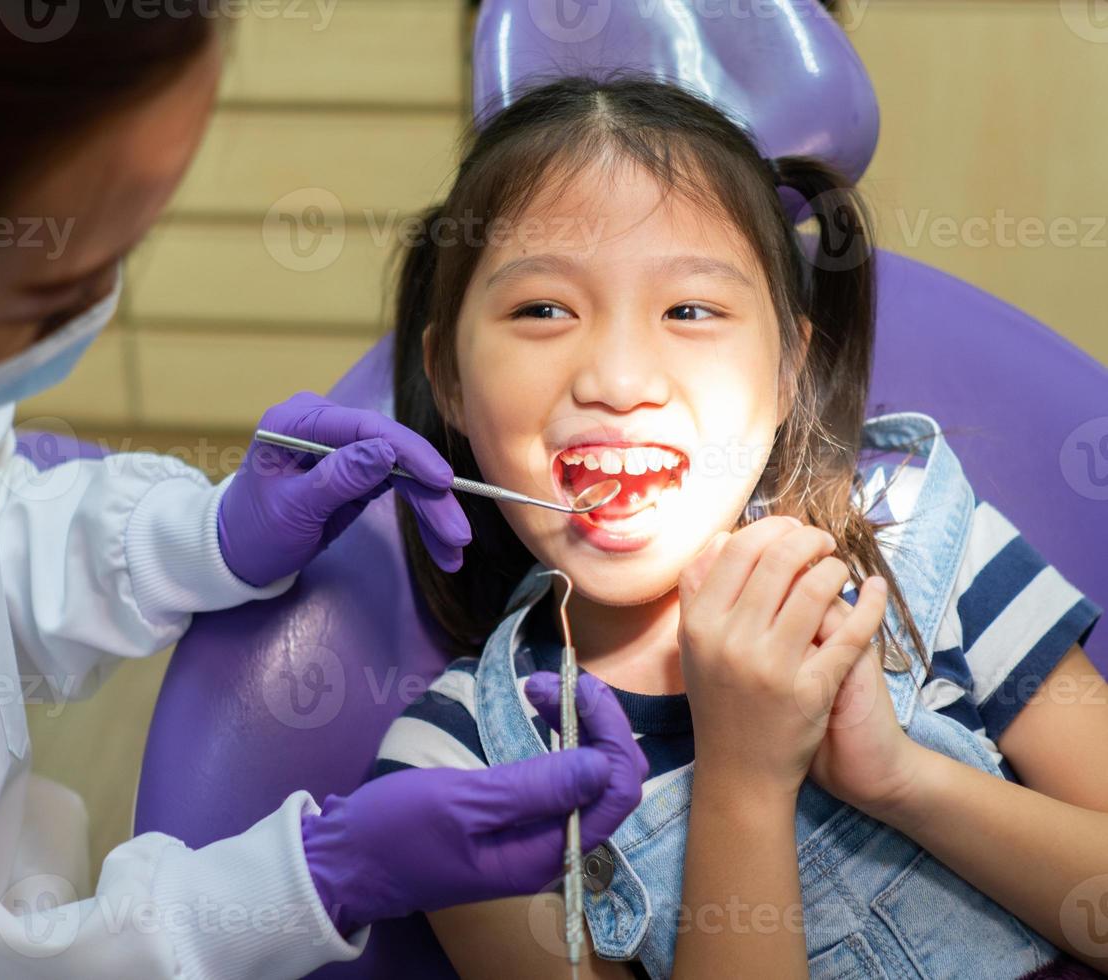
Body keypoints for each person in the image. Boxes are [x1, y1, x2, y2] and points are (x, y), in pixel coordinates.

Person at [0, 8, 649, 978]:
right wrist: (305, 883)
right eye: (56, 288)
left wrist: (202, 536)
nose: (616, 380)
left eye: (691, 307)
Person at [367, 75, 1108, 978]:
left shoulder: (924, 540)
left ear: (790, 365)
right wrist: (745, 780)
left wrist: (901, 781)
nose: (619, 376)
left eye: (690, 310)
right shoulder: (452, 775)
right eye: (543, 310)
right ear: (448, 378)